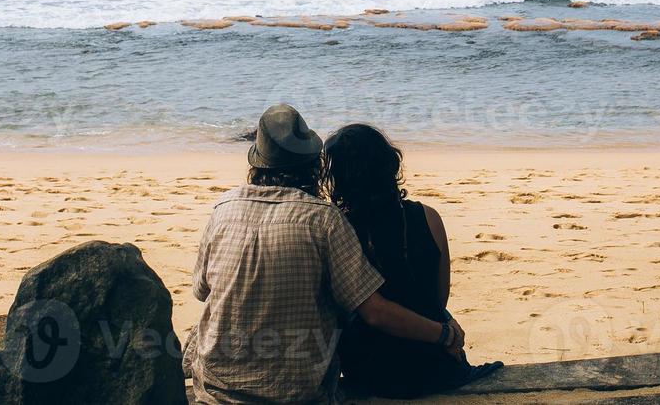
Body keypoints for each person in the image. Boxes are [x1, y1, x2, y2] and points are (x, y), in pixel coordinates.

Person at [185, 105, 466, 405]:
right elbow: (385, 309)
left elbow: (202, 290)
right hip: (297, 392)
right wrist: (445, 335)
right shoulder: (325, 220)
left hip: (218, 387)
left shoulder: (223, 209)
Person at [324, 123, 503, 398]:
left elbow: (367, 313)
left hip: (374, 374)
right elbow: (437, 300)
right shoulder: (429, 217)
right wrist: (445, 333)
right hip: (436, 367)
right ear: (389, 165)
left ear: (339, 178)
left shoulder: (339, 231)